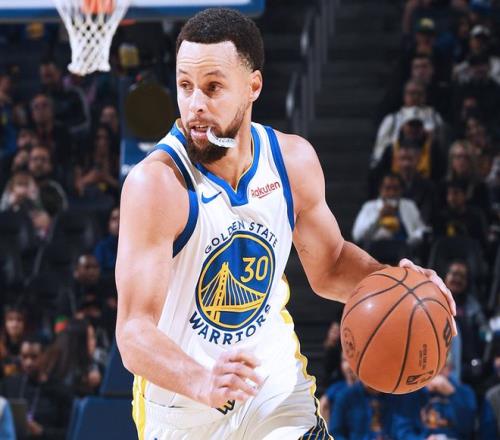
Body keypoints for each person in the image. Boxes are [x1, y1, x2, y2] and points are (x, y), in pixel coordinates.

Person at [115, 8, 456, 440]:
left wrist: (400, 283)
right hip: (183, 406)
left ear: (253, 86)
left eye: (213, 87)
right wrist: (201, 380)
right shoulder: (156, 184)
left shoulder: (291, 161)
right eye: (185, 86)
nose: (195, 104)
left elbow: (331, 265)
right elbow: (134, 332)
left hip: (272, 390)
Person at [0, 336, 72, 439]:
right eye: (24, 357)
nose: (28, 362)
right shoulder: (9, 385)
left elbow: (70, 432)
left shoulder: (61, 391)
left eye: (34, 357)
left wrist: (42, 431)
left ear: (45, 356)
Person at [353, 173, 427, 246]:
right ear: (380, 189)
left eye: (396, 189)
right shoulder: (369, 207)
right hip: (376, 250)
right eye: (387, 188)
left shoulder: (409, 205)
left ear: (402, 190)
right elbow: (357, 236)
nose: (392, 193)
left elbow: (422, 230)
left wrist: (412, 240)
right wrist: (378, 218)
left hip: (405, 249)